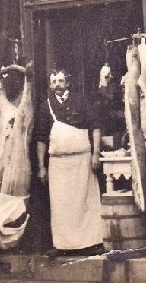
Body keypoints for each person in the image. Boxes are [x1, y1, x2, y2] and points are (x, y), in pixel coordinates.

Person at [36, 68, 103, 257]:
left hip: (82, 160)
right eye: (54, 82)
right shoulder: (45, 106)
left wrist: (95, 154)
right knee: (61, 205)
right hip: (58, 164)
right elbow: (41, 138)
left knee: (85, 203)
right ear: (50, 85)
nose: (57, 84)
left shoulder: (80, 101)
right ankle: (63, 245)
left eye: (61, 80)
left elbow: (95, 127)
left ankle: (91, 243)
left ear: (68, 83)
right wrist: (42, 166)